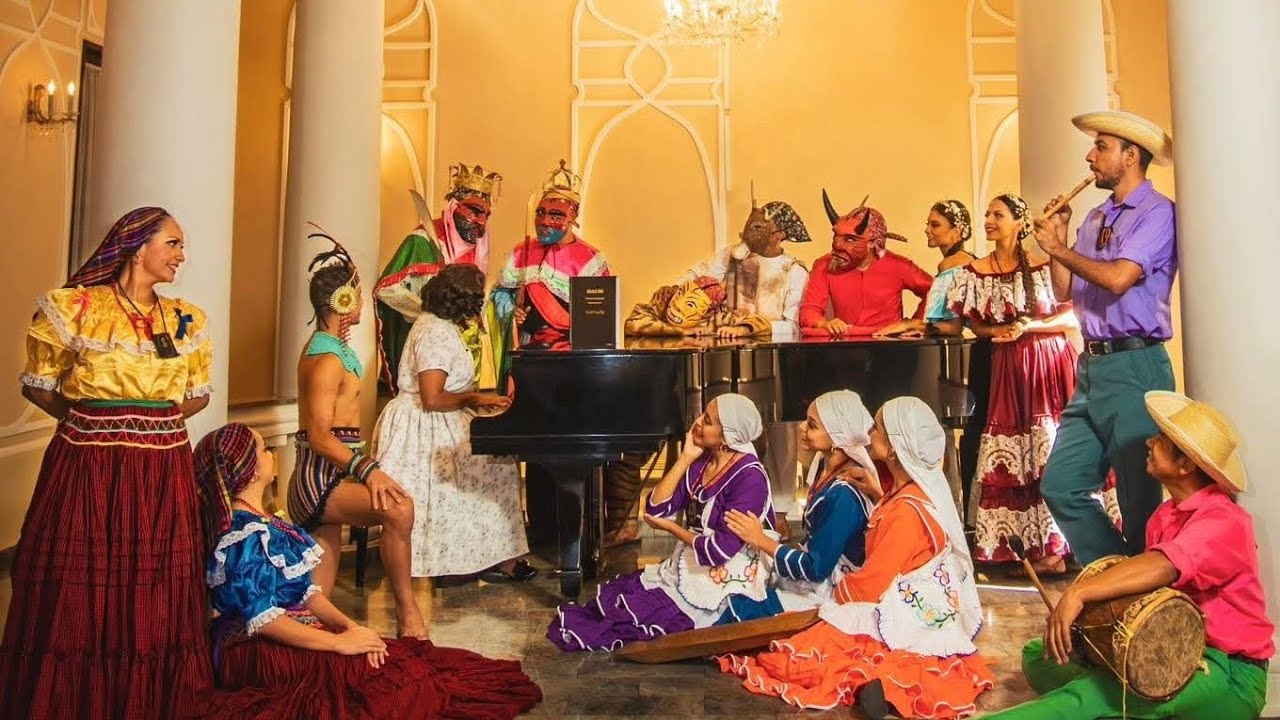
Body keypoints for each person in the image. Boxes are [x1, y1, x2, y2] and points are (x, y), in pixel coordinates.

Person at [0, 207, 214, 717]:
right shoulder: (76, 308)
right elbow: (40, 386)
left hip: (162, 468)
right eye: (173, 243)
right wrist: (95, 421)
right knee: (82, 578)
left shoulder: (185, 319)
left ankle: (149, 699)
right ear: (137, 246)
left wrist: (147, 421)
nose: (181, 255)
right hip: (90, 463)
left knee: (155, 580)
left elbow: (197, 395)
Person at [191, 423, 543, 720]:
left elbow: (307, 595)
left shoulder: (267, 525)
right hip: (258, 649)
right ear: (251, 470)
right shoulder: (244, 536)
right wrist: (338, 643)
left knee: (394, 661)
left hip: (294, 629)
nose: (271, 453)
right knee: (389, 687)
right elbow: (265, 620)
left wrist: (352, 627)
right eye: (263, 449)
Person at [986, 391, 1272, 719]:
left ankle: (1109, 701)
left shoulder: (1226, 520)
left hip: (1227, 670)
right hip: (1167, 648)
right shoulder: (1164, 516)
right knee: (1041, 655)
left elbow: (1164, 565)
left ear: (1186, 465)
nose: (1150, 442)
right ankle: (1133, 704)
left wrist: (1078, 593)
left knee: (1087, 695)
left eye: (1161, 440)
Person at [721, 397, 992, 719]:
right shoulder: (899, 494)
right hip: (879, 589)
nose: (868, 431)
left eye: (877, 427)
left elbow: (872, 584)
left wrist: (831, 598)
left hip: (896, 607)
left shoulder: (903, 510)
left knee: (805, 659)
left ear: (894, 449)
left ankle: (882, 689)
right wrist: (879, 495)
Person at [1034, 111, 1178, 563]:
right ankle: (1118, 572)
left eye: (1101, 147)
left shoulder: (1158, 213)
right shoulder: (1096, 216)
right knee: (1060, 485)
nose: (1089, 156)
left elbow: (1118, 278)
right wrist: (1058, 240)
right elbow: (1064, 291)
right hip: (1091, 367)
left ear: (1130, 156)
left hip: (1136, 365)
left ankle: (1139, 591)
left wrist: (1059, 249)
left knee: (1139, 501)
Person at [948, 195, 1119, 575]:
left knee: (1050, 448)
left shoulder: (1044, 265)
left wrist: (1030, 328)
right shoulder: (976, 271)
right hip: (1008, 368)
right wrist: (998, 332)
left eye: (998, 214)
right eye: (988, 214)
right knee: (1020, 455)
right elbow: (975, 324)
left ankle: (1063, 547)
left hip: (1049, 365)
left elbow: (1073, 317)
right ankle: (1031, 546)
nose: (989, 220)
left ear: (1019, 222)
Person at [547, 394, 776, 651]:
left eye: (707, 421)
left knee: (647, 617)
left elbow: (719, 551)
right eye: (702, 414)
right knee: (621, 600)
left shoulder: (750, 479)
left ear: (727, 438)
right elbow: (657, 507)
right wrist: (686, 457)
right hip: (696, 557)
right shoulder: (704, 462)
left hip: (728, 570)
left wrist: (671, 528)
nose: (698, 422)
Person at [286, 231, 428, 638]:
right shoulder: (326, 359)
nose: (364, 302)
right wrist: (369, 470)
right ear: (343, 301)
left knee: (317, 604)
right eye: (359, 295)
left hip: (331, 474)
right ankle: (408, 617)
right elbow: (319, 436)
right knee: (399, 508)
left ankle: (309, 643)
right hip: (318, 480)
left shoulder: (333, 350)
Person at [373, 263, 536, 585]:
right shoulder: (434, 332)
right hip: (427, 427)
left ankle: (486, 556)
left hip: (440, 420)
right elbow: (432, 398)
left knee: (497, 466)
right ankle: (491, 559)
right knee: (495, 467)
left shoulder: (437, 324)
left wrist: (477, 401)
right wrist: (476, 399)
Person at [716, 390, 879, 623]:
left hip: (829, 589)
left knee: (740, 610)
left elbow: (816, 567)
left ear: (836, 438)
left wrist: (760, 539)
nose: (801, 427)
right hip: (812, 575)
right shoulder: (825, 466)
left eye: (812, 425)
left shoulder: (844, 495)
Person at [374, 164, 501, 394]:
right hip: (427, 344)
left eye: (486, 215)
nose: (481, 221)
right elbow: (387, 289)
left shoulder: (478, 249)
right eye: (474, 211)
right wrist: (431, 312)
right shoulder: (423, 241)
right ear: (454, 206)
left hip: (461, 351)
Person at [489, 159, 610, 374]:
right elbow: (500, 294)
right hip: (527, 354)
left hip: (571, 360)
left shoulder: (591, 260)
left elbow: (597, 320)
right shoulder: (521, 251)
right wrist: (511, 310)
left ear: (573, 217)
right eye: (540, 213)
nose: (544, 222)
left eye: (556, 215)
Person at [799, 193, 933, 337]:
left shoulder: (898, 265)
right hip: (846, 343)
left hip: (888, 343)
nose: (837, 245)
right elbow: (809, 311)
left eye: (850, 240)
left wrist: (914, 323)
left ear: (872, 243)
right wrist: (823, 324)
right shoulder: (824, 265)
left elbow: (934, 291)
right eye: (836, 237)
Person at [875, 199, 977, 338]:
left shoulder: (950, 264)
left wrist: (911, 324)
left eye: (935, 225)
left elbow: (952, 327)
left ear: (956, 232)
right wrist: (923, 328)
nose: (927, 230)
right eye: (928, 224)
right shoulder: (967, 258)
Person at [623, 275, 770, 338]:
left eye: (691, 304)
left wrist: (741, 329)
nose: (678, 306)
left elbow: (763, 323)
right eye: (680, 294)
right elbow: (632, 324)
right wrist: (680, 331)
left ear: (707, 312)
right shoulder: (662, 304)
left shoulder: (714, 320)